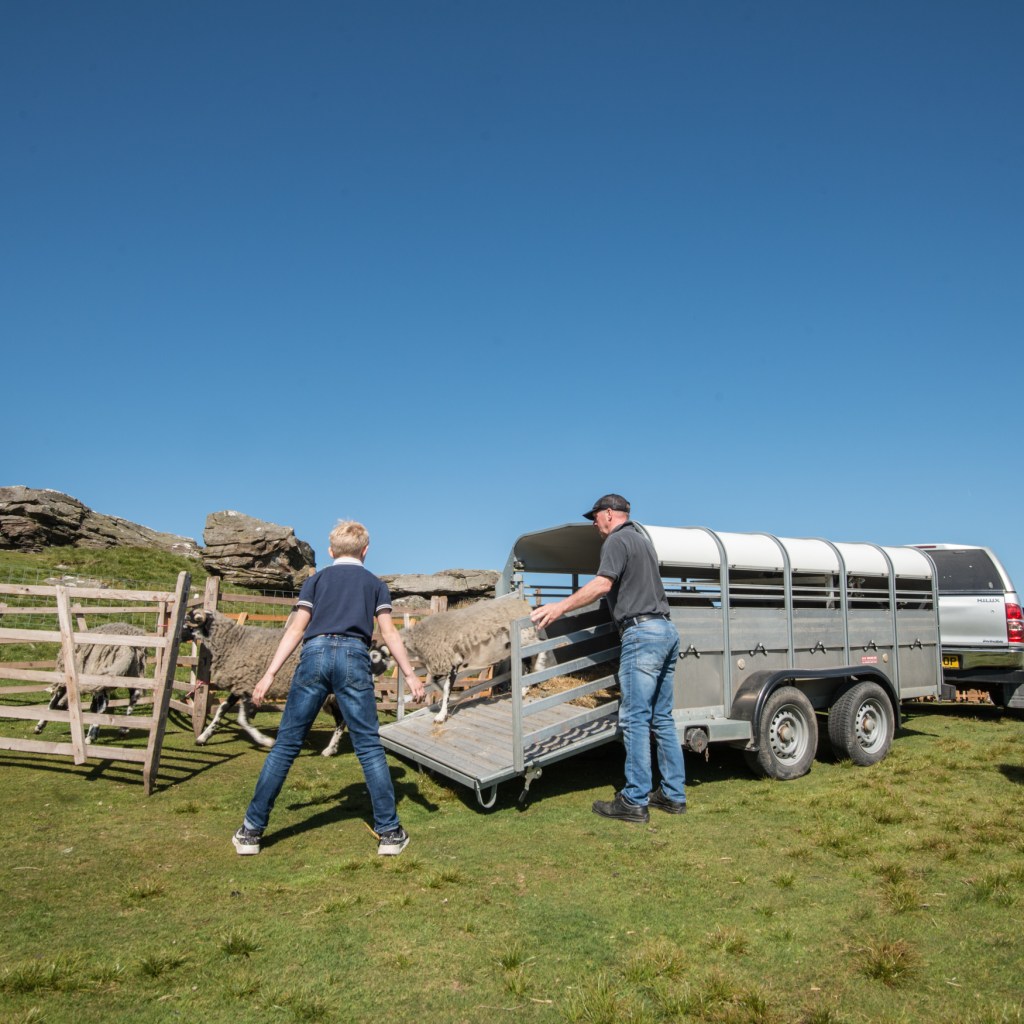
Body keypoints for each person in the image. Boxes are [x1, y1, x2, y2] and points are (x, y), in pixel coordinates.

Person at [232, 520, 426, 856]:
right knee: (368, 746)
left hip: (315, 653)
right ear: (366, 550)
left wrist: (268, 674)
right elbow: (389, 633)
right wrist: (409, 674)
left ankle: (251, 831)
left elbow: (295, 630)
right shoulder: (375, 585)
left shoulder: (315, 581)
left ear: (331, 551)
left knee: (286, 744)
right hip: (354, 655)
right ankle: (390, 833)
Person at [530, 494, 687, 823]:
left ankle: (634, 799)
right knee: (662, 718)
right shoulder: (643, 542)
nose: (593, 522)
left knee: (634, 718)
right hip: (666, 631)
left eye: (595, 515)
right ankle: (673, 794)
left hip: (641, 634)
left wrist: (558, 608)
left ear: (611, 514)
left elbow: (603, 584)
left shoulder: (617, 540)